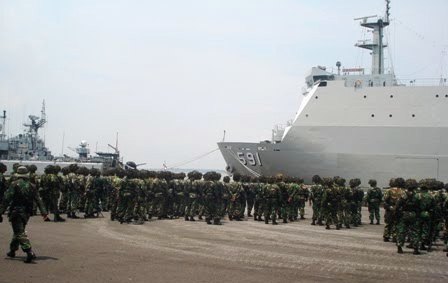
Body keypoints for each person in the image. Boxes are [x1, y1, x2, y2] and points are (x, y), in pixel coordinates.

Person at [0, 166, 49, 263]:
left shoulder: (14, 184)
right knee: (18, 231)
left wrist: (0, 211)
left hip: (16, 211)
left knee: (19, 232)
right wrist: (44, 213)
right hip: (27, 212)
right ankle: (12, 250)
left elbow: (6, 199)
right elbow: (38, 200)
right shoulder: (32, 186)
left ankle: (29, 251)